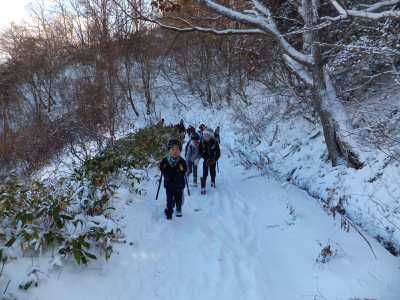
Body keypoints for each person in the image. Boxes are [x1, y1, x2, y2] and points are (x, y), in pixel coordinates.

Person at [159, 138, 187, 219]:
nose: (175, 151)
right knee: (169, 200)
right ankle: (169, 211)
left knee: (179, 199)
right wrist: (164, 171)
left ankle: (178, 208)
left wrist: (182, 169)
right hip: (169, 185)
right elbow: (161, 168)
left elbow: (185, 170)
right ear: (169, 150)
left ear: (180, 151)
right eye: (173, 149)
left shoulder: (182, 161)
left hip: (179, 185)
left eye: (177, 149)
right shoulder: (165, 160)